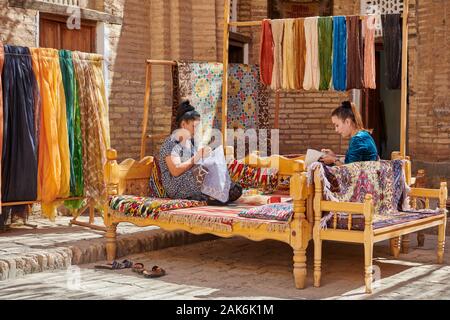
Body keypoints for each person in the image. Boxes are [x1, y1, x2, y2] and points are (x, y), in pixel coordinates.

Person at [159, 100, 242, 203]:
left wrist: (208, 155)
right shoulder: (170, 143)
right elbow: (175, 171)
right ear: (184, 124)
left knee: (216, 166)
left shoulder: (191, 142)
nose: (196, 130)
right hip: (176, 187)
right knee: (204, 169)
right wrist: (197, 157)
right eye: (194, 126)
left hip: (192, 181)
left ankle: (216, 194)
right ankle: (214, 196)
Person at [320, 101, 378, 166]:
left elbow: (349, 171)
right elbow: (352, 163)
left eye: (337, 125)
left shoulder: (358, 139)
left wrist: (333, 160)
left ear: (347, 122)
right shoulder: (363, 135)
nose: (336, 130)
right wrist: (334, 156)